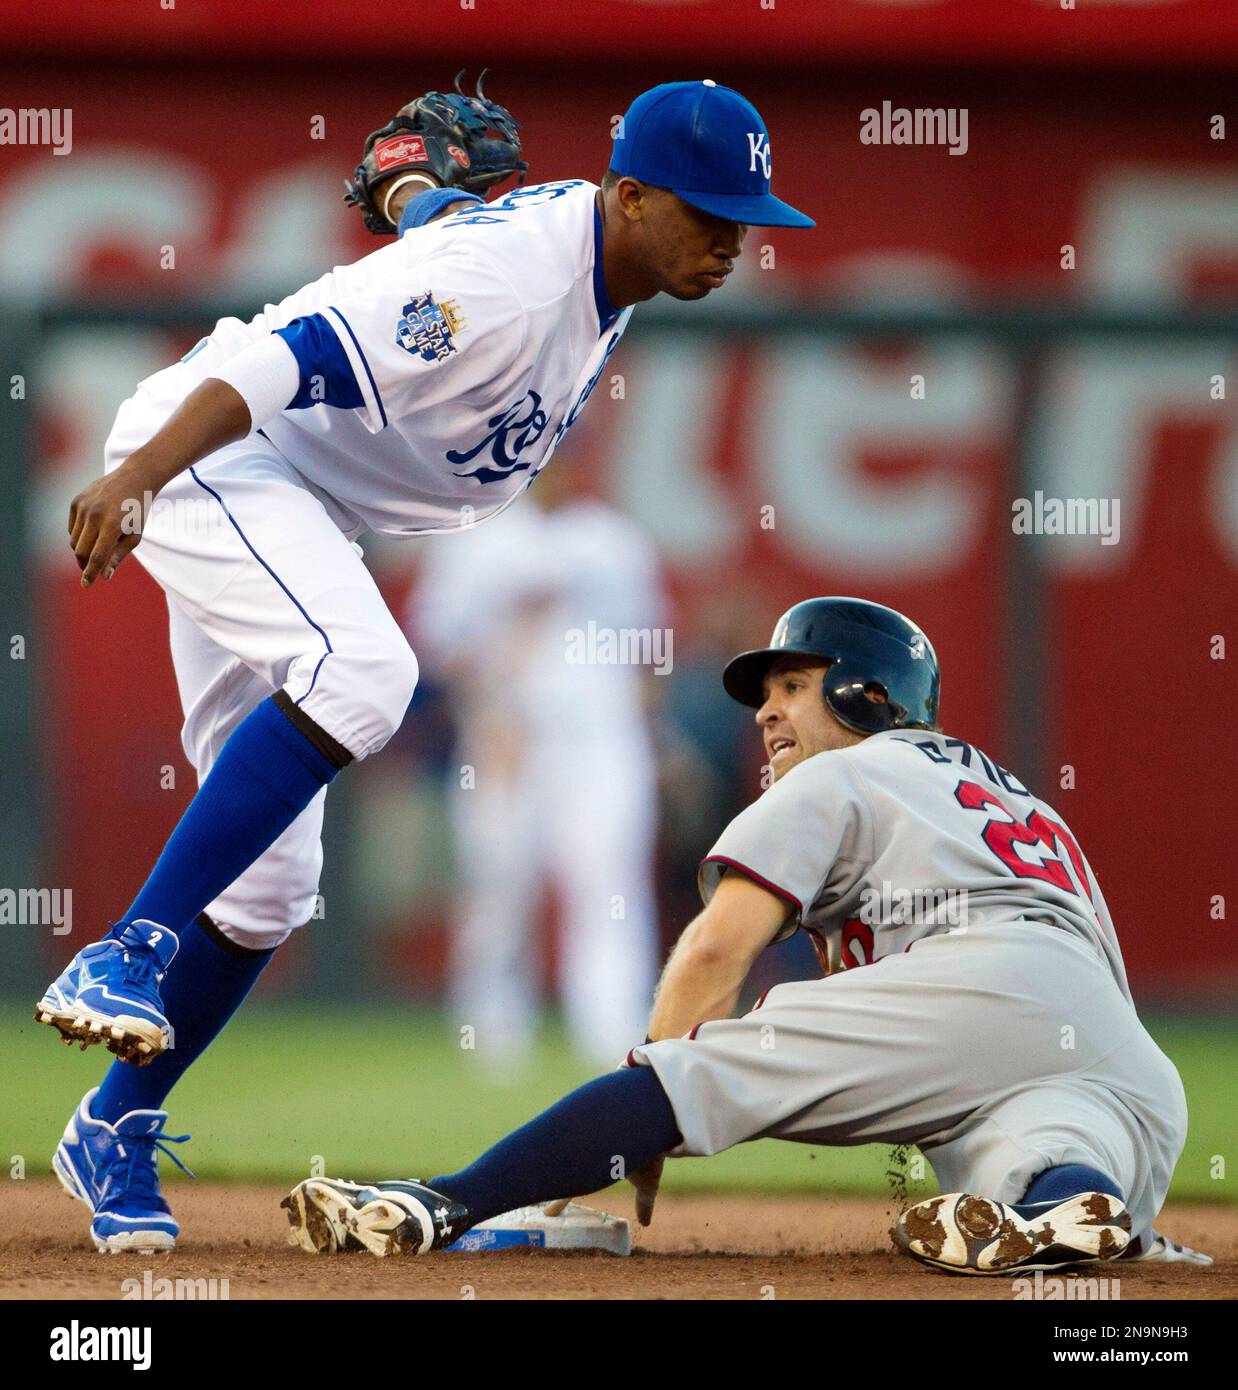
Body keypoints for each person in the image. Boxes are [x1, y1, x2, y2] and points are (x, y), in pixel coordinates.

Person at [37, 79, 815, 1254]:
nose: (727, 239)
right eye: (704, 212)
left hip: (294, 505)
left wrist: (409, 190)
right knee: (364, 672)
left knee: (266, 888)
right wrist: (138, 475)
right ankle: (130, 948)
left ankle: (116, 1120)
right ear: (630, 194)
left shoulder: (593, 257)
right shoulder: (508, 280)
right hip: (220, 464)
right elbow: (277, 359)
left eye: (741, 216)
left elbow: (443, 231)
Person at [282, 597, 1209, 1274]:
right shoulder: (1020, 798)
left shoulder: (842, 773)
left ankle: (440, 1200)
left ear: (867, 697)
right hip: (1125, 1065)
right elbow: (1084, 983)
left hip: (978, 979)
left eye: (795, 686)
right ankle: (1071, 1205)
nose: (765, 711)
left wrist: (650, 1102)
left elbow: (720, 948)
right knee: (1018, 1158)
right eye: (766, 693)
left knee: (712, 1057)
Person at [410, 463, 665, 1071]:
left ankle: (614, 1034)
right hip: (507, 737)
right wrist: (488, 712)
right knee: (498, 885)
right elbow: (439, 645)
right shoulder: (475, 537)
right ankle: (493, 1036)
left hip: (601, 741)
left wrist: (652, 736)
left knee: (609, 886)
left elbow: (649, 650)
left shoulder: (614, 540)